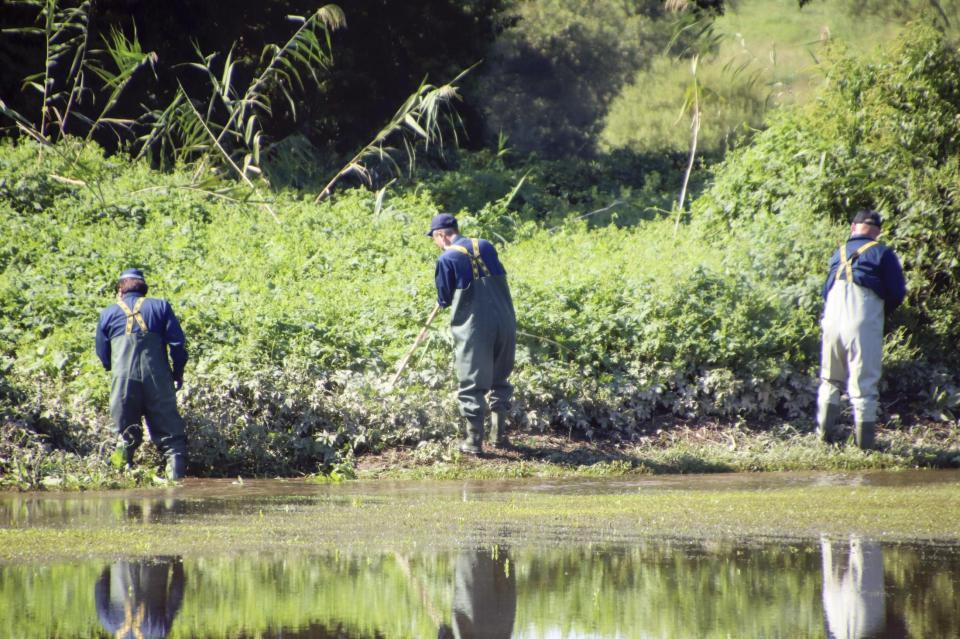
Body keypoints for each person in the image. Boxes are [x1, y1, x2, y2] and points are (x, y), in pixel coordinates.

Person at [816, 210, 906, 449]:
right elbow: (897, 293)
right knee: (864, 386)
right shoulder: (884, 253)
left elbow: (826, 291)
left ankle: (824, 440)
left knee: (830, 379)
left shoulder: (839, 253)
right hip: (863, 319)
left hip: (832, 319)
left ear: (853, 227)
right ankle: (864, 448)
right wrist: (879, 315)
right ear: (877, 231)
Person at [428, 213, 516, 455]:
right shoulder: (485, 245)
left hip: (474, 328)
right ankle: (499, 436)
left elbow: (444, 299)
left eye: (434, 238)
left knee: (472, 384)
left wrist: (442, 295)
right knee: (500, 379)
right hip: (506, 322)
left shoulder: (446, 259)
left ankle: (473, 442)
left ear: (441, 235)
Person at [96, 268, 189, 479]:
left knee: (126, 436)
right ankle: (176, 488)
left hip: (123, 381)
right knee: (172, 441)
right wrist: (178, 372)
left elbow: (103, 354)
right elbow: (177, 345)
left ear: (120, 289)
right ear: (143, 288)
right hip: (158, 380)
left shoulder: (108, 313)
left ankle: (119, 483)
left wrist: (115, 369)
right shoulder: (160, 306)